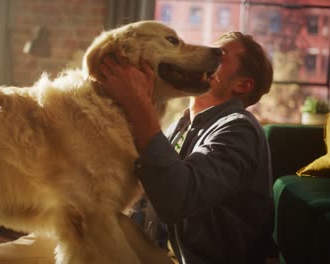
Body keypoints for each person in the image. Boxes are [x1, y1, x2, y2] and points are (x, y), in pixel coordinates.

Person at [98, 31, 274, 264]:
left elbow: (176, 198)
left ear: (242, 85)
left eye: (219, 55)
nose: (203, 56)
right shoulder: (180, 127)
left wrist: (137, 102)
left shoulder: (240, 129)